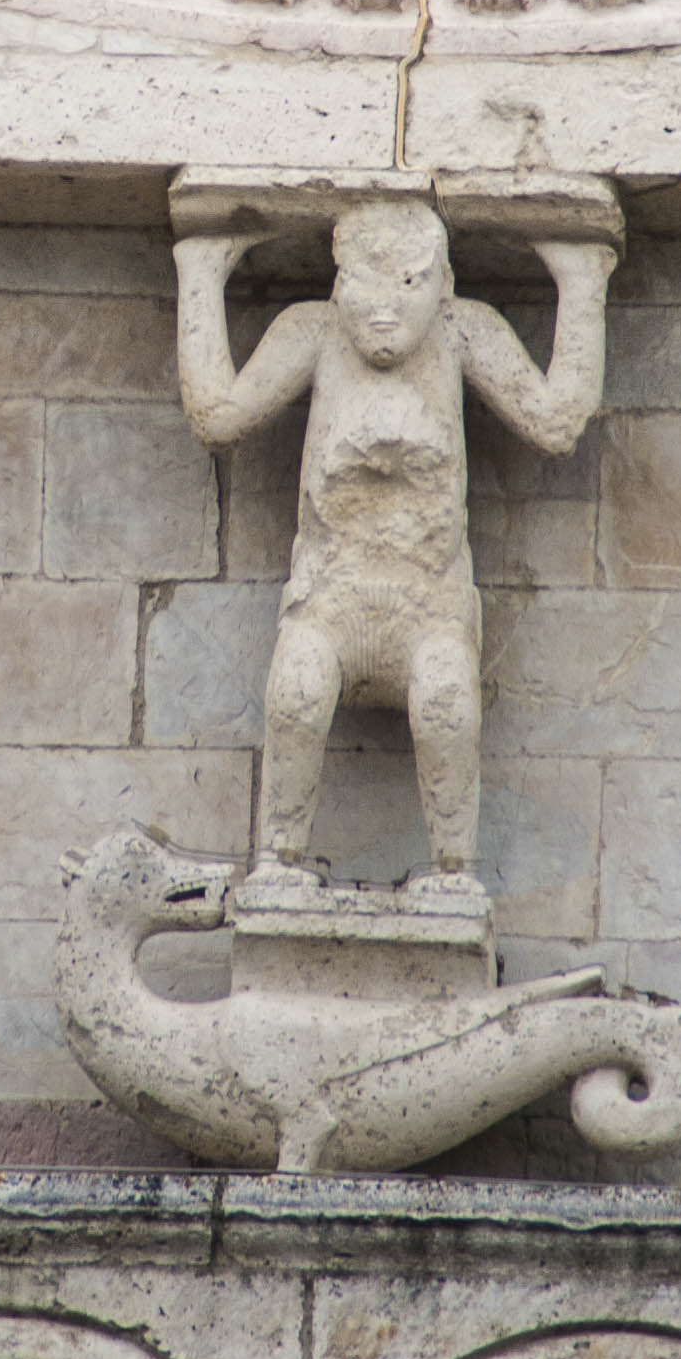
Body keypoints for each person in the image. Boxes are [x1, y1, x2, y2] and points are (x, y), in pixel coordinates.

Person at [174, 196, 612, 891]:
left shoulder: (463, 332)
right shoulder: (314, 334)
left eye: (410, 283)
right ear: (338, 285)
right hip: (328, 601)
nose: (386, 309)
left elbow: (555, 420)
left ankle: (454, 871)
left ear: (444, 287)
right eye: (366, 285)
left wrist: (581, 282)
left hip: (428, 606)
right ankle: (277, 861)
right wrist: (200, 275)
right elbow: (219, 413)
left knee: (447, 703)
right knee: (294, 694)